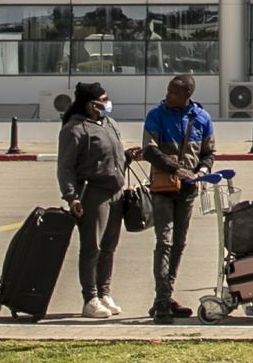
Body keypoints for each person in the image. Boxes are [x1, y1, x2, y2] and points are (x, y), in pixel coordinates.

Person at [57, 81, 137, 319]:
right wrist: (71, 197)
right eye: (102, 99)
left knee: (109, 247)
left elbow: (113, 156)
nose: (106, 103)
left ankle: (105, 292)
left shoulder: (109, 123)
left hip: (116, 193)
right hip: (93, 193)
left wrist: (127, 158)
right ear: (90, 104)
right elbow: (66, 167)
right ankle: (90, 298)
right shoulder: (75, 129)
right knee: (92, 247)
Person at [141, 75, 215, 323]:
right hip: (163, 187)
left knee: (179, 243)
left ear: (187, 95)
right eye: (168, 91)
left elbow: (207, 153)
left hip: (188, 189)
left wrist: (202, 171)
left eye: (174, 92)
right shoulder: (156, 115)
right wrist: (176, 169)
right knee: (165, 242)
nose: (168, 96)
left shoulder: (202, 119)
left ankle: (165, 294)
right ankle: (162, 301)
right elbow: (149, 150)